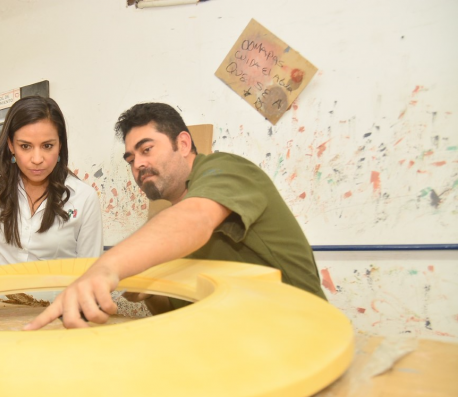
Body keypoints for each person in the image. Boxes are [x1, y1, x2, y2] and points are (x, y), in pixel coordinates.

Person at [24, 102, 326, 330]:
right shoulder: (171, 227)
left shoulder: (227, 171)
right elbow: (183, 315)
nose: (137, 164)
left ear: (183, 143)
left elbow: (196, 218)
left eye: (146, 149)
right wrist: (149, 293)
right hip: (244, 348)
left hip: (301, 337)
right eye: (131, 159)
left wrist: (104, 268)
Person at [0, 96, 103, 268]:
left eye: (47, 146)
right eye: (25, 146)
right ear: (11, 145)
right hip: (0, 286)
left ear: (60, 145)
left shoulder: (84, 198)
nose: (37, 159)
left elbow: (91, 269)